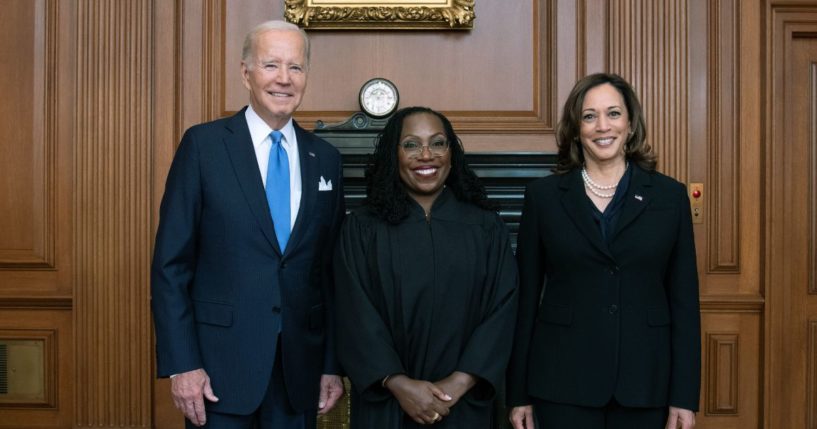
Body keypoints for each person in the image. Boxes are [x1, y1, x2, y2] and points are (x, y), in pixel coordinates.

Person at [151, 20, 345, 429]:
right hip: (219, 372)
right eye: (271, 65)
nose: (284, 79)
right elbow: (171, 266)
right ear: (245, 73)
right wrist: (182, 364)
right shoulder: (203, 147)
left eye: (296, 67)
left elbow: (329, 272)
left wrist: (332, 365)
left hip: (299, 372)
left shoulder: (325, 158)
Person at [506, 73, 701, 429]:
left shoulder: (670, 197)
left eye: (613, 113)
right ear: (576, 128)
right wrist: (518, 393)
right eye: (589, 116)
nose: (602, 126)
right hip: (562, 382)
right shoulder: (544, 198)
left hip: (646, 384)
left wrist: (684, 397)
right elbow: (525, 300)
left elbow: (685, 303)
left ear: (630, 123)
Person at [334, 106, 518, 428]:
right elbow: (354, 312)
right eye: (410, 145)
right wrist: (398, 383)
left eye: (437, 143)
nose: (426, 155)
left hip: (464, 404)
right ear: (394, 154)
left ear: (451, 152)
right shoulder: (363, 227)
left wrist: (458, 383)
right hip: (388, 406)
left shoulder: (485, 226)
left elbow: (502, 310)